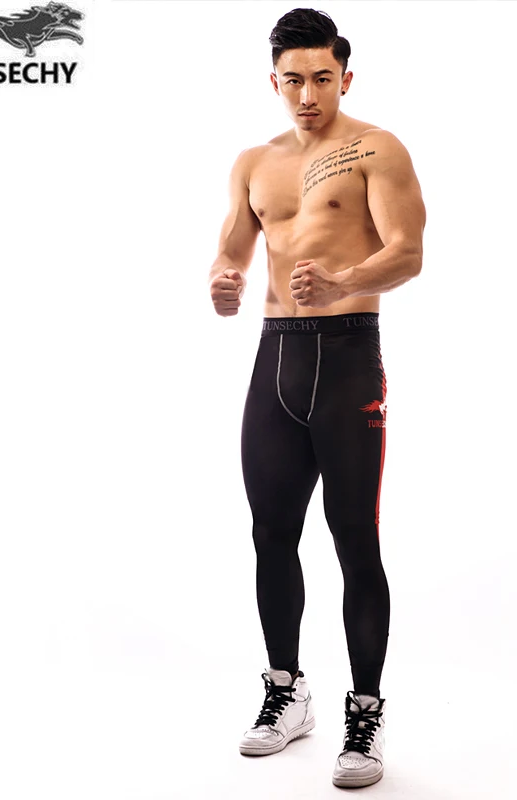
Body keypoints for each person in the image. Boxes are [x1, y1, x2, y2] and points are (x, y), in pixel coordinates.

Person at [207, 7, 425, 789]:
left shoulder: (377, 149)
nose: (307, 94)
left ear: (346, 77)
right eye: (293, 80)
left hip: (349, 359)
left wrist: (343, 280)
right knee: (271, 534)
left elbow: (409, 253)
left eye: (322, 79)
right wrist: (223, 283)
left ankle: (363, 715)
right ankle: (286, 692)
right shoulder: (253, 163)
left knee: (354, 540)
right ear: (274, 80)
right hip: (275, 361)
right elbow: (233, 251)